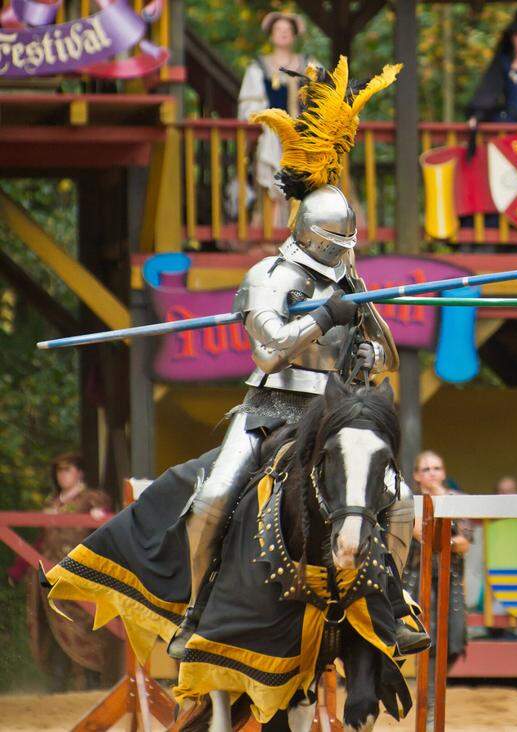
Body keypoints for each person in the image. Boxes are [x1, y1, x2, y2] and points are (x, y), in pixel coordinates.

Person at [167, 62, 415, 659]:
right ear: (308, 233)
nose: (339, 254)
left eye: (346, 246)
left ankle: (398, 604)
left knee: (401, 498)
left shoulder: (348, 278)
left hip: (331, 412)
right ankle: (195, 613)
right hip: (272, 406)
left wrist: (359, 337)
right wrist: (323, 317)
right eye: (333, 243)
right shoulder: (269, 275)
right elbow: (267, 348)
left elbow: (384, 360)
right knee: (214, 495)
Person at [27, 453, 114, 691]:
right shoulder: (52, 504)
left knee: (85, 629)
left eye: (67, 469)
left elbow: (109, 527)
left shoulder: (92, 499)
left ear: (79, 472)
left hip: (80, 577)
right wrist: (17, 570)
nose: (62, 475)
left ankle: (91, 685)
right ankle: (57, 685)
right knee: (55, 629)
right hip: (50, 578)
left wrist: (102, 516)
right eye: (59, 471)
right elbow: (40, 540)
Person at [404, 451, 472, 726]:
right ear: (417, 475)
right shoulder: (409, 501)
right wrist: (450, 539)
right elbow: (420, 534)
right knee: (425, 641)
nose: (431, 473)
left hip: (450, 579)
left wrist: (449, 540)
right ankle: (430, 702)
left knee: (454, 641)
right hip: (415, 578)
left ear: (443, 472)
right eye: (426, 469)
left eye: (436, 468)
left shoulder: (459, 501)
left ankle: (432, 690)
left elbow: (465, 542)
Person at [237, 11, 310, 231]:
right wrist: (268, 119)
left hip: (303, 134)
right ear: (271, 35)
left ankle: (304, 230)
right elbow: (249, 102)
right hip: (272, 134)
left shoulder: (307, 64)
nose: (283, 34)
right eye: (279, 30)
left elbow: (322, 95)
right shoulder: (259, 67)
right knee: (273, 177)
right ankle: (271, 230)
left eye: (287, 30)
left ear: (294, 35)